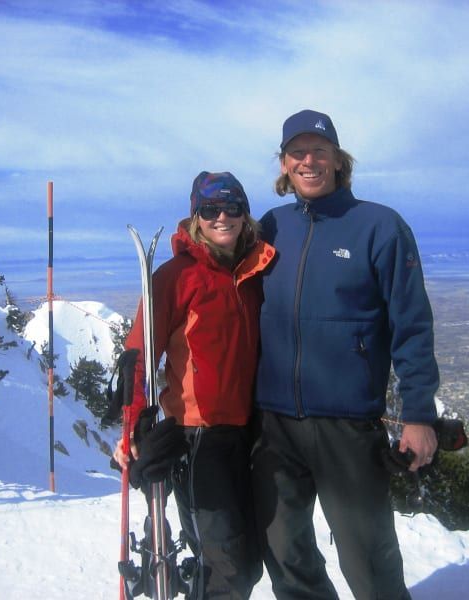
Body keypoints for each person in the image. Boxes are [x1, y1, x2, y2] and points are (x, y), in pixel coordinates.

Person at [252, 109, 440, 600]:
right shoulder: (271, 227)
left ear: (338, 159)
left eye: (319, 151)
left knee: (368, 553)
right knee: (284, 548)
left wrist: (419, 415)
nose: (308, 161)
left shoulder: (378, 226)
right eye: (298, 152)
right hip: (274, 421)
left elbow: (412, 324)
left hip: (347, 424)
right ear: (285, 163)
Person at [112, 171, 274, 599]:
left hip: (248, 434)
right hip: (198, 439)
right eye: (210, 209)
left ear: (245, 213)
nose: (222, 217)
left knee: (248, 563)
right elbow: (139, 354)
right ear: (196, 217)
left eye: (232, 208)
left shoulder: (253, 273)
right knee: (229, 566)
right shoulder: (176, 276)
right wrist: (132, 426)